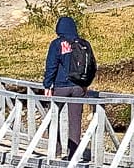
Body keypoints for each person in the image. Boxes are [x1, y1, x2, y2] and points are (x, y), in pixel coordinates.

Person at [42, 14, 98, 147]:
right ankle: (74, 154)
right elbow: (92, 66)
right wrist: (85, 84)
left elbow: (51, 66)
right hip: (79, 87)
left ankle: (55, 150)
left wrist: (47, 85)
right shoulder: (83, 44)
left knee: (53, 117)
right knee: (75, 120)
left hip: (61, 87)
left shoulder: (57, 44)